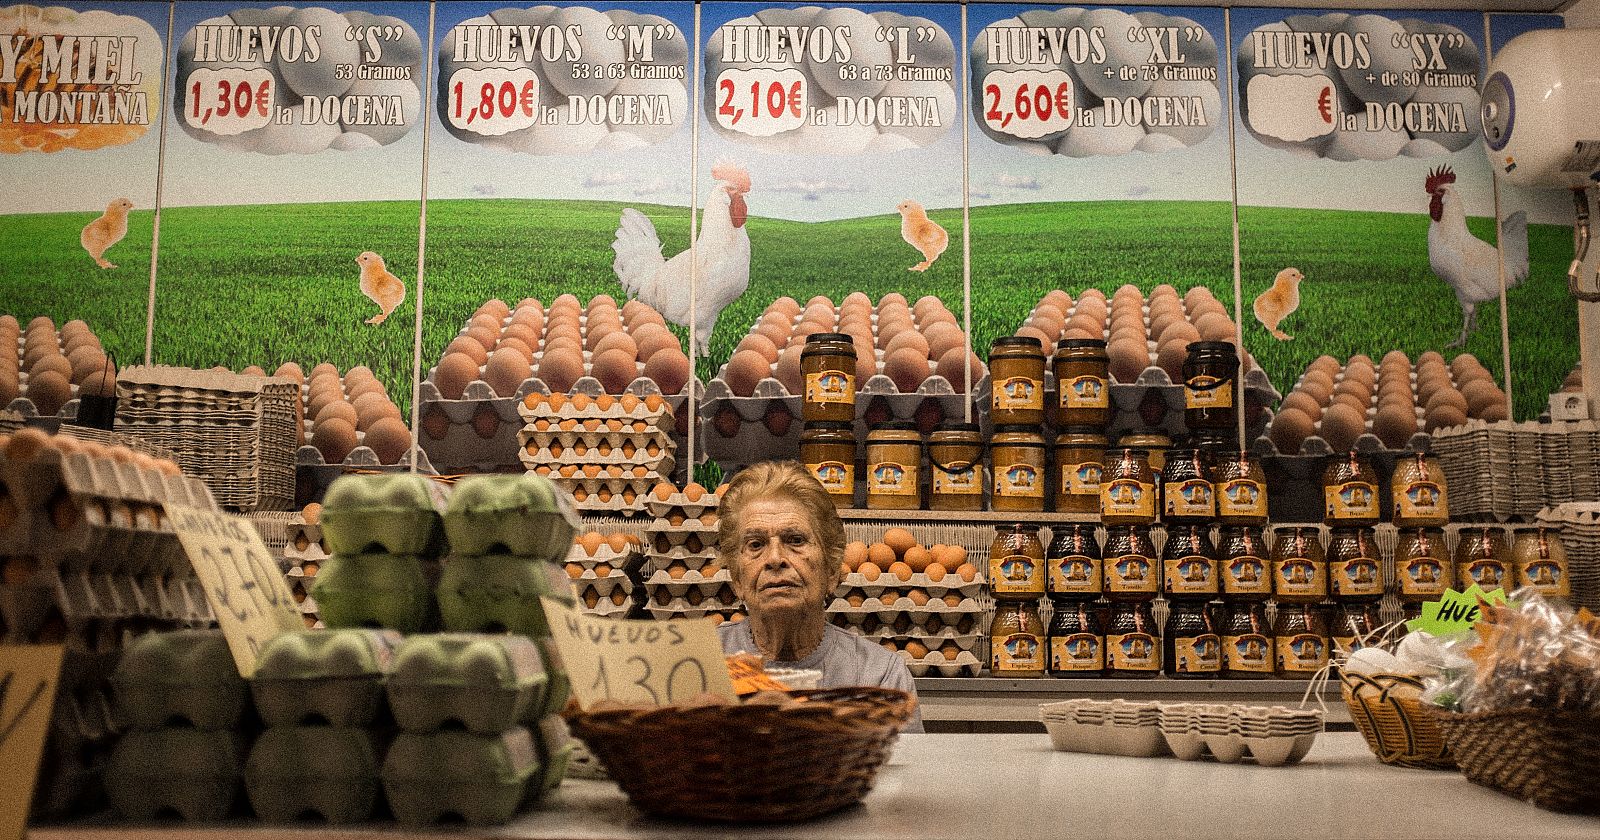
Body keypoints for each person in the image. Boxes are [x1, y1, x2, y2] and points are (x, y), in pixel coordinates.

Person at [716, 461, 924, 732]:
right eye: (756, 544)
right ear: (737, 579)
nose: (775, 559)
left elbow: (907, 773)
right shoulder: (702, 662)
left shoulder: (879, 676)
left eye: (796, 540)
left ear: (832, 571)